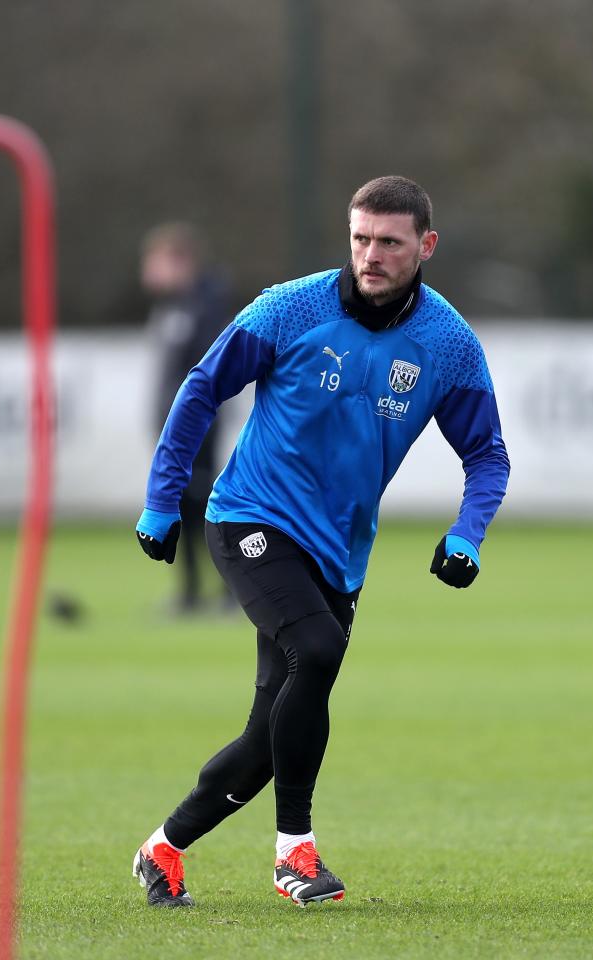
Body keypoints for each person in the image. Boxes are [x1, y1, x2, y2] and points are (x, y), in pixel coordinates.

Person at [131, 176, 510, 907]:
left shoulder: (448, 344)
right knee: (321, 651)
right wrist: (160, 502)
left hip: (339, 551)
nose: (370, 254)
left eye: (389, 242)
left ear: (425, 247)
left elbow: (487, 454)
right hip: (250, 517)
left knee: (269, 739)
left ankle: (163, 848)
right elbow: (202, 387)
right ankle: (293, 856)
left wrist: (468, 534)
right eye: (360, 238)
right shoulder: (290, 307)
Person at [140, 222, 232, 613]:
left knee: (204, 505)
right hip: (173, 430)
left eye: (156, 262)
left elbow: (209, 374)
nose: (148, 271)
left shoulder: (205, 305)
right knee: (183, 508)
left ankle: (231, 590)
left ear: (180, 261)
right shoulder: (171, 307)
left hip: (198, 429)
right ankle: (192, 591)